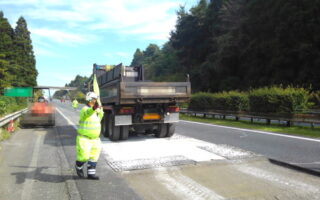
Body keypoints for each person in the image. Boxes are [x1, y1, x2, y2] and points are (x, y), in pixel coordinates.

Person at [75, 92, 104, 180]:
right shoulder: (84, 109)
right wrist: (94, 108)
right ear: (88, 100)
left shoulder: (96, 111)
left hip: (95, 139)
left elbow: (100, 117)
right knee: (84, 156)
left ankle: (91, 174)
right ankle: (78, 167)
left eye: (95, 100)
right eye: (92, 99)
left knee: (94, 157)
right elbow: (88, 112)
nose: (93, 101)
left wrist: (100, 110)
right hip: (84, 138)